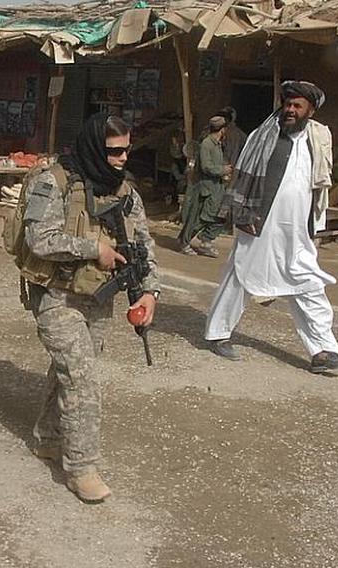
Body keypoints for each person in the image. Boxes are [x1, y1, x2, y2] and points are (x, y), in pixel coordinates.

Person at [18, 112, 160, 503]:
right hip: (57, 296)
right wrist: (92, 248)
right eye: (114, 151)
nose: (122, 158)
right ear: (96, 146)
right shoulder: (54, 182)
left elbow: (144, 246)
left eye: (127, 149)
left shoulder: (125, 191)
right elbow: (39, 239)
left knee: (71, 370)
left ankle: (48, 438)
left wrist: (149, 292)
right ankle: (81, 467)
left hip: (98, 298)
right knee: (82, 378)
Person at [204, 81, 338, 374]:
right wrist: (241, 213)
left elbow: (320, 183)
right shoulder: (263, 136)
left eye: (298, 106)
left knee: (309, 283)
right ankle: (218, 333)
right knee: (240, 276)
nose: (291, 111)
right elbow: (244, 176)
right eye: (288, 105)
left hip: (296, 230)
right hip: (260, 222)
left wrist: (315, 223)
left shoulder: (317, 138)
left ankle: (323, 350)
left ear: (311, 110)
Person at [178, 115, 232, 257]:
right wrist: (222, 170)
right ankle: (184, 241)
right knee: (201, 219)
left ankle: (206, 241)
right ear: (222, 130)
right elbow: (206, 167)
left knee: (220, 217)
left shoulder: (218, 144)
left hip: (217, 188)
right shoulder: (207, 144)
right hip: (206, 189)